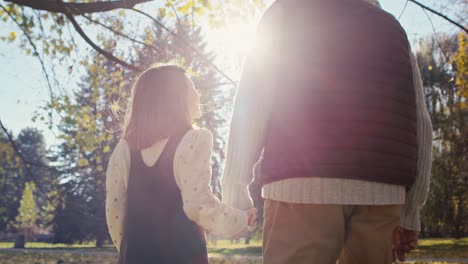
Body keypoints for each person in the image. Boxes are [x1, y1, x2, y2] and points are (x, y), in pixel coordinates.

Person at [221, 0, 433, 263]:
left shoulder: (287, 11)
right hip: (382, 193)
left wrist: (235, 188)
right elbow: (421, 123)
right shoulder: (392, 27)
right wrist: (411, 210)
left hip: (300, 185)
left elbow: (252, 101)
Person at [105, 65, 256, 264]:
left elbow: (114, 212)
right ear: (174, 98)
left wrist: (129, 252)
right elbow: (198, 205)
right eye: (191, 86)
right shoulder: (193, 140)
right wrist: (239, 220)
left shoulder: (123, 148)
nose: (197, 92)